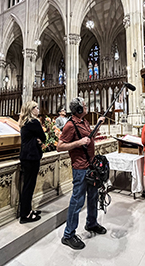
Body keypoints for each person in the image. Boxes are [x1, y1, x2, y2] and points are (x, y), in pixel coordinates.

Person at [57, 97, 106, 250]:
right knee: (77, 201)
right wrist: (78, 143)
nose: (86, 107)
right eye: (84, 106)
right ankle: (68, 235)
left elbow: (89, 138)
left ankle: (91, 224)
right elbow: (60, 146)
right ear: (78, 109)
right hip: (80, 168)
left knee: (93, 197)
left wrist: (98, 125)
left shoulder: (84, 122)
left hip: (91, 166)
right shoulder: (70, 125)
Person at [17, 101, 46, 223]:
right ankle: (25, 215)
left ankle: (28, 210)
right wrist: (39, 140)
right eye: (36, 107)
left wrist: (37, 139)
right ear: (31, 109)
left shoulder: (24, 122)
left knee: (28, 186)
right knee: (29, 186)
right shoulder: (34, 122)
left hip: (26, 157)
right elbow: (44, 137)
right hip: (32, 157)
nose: (38, 109)